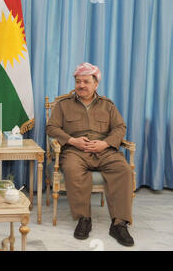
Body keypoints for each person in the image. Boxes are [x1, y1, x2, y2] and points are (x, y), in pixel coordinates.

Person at [46, 62, 134, 247]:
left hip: (104, 150)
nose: (81, 85)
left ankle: (119, 224)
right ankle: (83, 219)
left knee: (123, 170)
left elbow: (120, 127)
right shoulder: (63, 105)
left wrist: (106, 143)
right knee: (71, 169)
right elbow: (51, 127)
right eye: (78, 81)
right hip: (75, 151)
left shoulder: (107, 105)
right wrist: (71, 140)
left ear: (96, 84)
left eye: (86, 81)